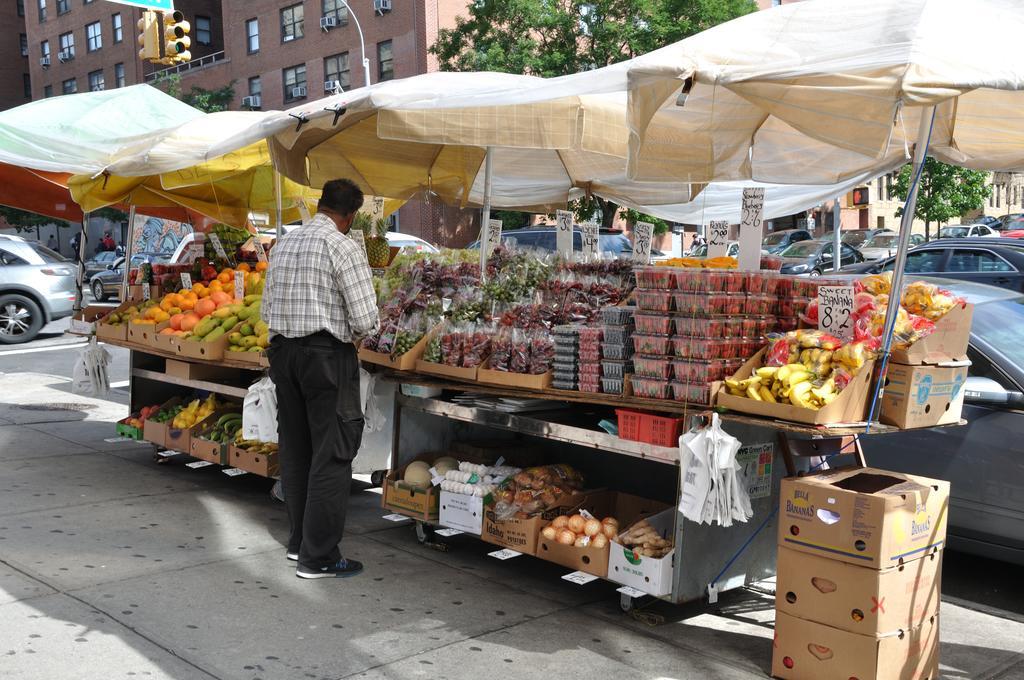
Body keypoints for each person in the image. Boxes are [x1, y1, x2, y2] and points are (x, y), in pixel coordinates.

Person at [261, 179, 379, 580]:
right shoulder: (343, 247)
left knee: (296, 449)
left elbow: (266, 309)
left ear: (321, 205)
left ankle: (299, 543)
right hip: (327, 357)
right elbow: (365, 320)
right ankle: (320, 557)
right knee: (332, 454)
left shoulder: (285, 242)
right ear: (350, 216)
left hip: (283, 354)